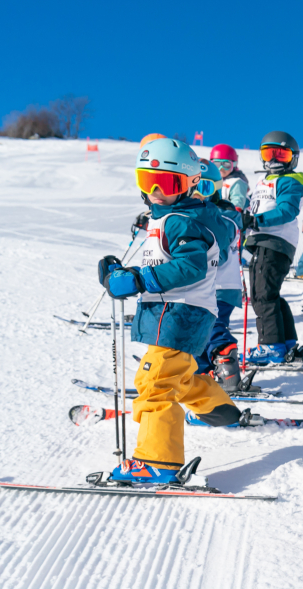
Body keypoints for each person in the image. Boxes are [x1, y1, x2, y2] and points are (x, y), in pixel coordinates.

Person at [97, 138, 242, 482]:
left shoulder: (180, 221)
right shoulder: (179, 216)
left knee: (155, 385)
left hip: (178, 313)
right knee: (172, 376)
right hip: (181, 313)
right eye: (149, 182)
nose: (157, 193)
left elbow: (190, 266)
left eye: (168, 183)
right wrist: (125, 274)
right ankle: (218, 407)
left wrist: (138, 279)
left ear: (191, 184)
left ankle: (158, 462)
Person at [242, 131, 303, 365]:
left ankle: (270, 346)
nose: (273, 160)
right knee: (270, 295)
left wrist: (256, 221)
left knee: (261, 297)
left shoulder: (289, 181)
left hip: (273, 242)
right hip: (266, 243)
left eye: (280, 155)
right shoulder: (264, 182)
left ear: (293, 158)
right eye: (268, 153)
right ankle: (286, 343)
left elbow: (287, 211)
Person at [190, 158, 251, 391]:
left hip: (219, 286)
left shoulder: (222, 215)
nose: (199, 194)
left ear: (216, 188)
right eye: (193, 187)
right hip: (215, 286)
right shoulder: (202, 213)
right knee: (200, 330)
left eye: (205, 187)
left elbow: (220, 255)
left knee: (210, 326)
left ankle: (227, 366)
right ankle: (202, 373)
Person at [210, 144, 249, 211]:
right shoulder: (211, 180)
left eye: (226, 165)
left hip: (226, 215)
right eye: (217, 164)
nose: (221, 168)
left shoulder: (237, 182)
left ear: (234, 165)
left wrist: (234, 209)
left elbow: (237, 202)